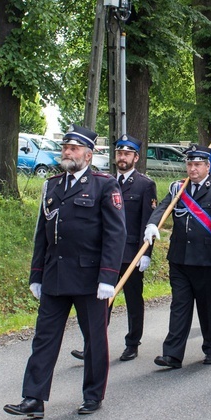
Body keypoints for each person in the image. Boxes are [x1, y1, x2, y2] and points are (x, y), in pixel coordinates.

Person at [4, 124, 126, 418]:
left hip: (89, 279)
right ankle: (33, 398)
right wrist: (36, 274)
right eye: (64, 148)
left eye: (73, 148)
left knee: (94, 340)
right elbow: (42, 235)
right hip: (55, 275)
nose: (67, 153)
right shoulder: (52, 185)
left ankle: (93, 395)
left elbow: (115, 234)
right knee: (44, 338)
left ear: (88, 153)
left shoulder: (105, 185)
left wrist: (108, 277)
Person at [145, 144, 211, 369]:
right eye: (189, 164)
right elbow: (164, 207)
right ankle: (172, 355)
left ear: (207, 166)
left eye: (197, 164)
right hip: (180, 259)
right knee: (180, 306)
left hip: (209, 260)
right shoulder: (179, 188)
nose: (192, 169)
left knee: (209, 308)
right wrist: (151, 223)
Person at [70, 134, 157, 362]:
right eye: (119, 153)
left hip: (131, 253)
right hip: (106, 254)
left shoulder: (145, 184)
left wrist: (146, 253)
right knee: (101, 301)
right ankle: (93, 343)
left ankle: (132, 343)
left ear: (136, 157)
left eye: (127, 153)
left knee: (133, 300)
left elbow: (148, 222)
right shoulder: (105, 181)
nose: (122, 157)